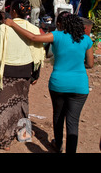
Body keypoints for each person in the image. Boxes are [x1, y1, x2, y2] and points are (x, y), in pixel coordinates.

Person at [5, 12, 94, 153]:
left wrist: (13, 24)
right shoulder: (86, 40)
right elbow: (90, 64)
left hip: (59, 84)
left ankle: (58, 145)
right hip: (80, 85)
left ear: (59, 24)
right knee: (73, 122)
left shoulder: (57, 36)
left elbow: (34, 37)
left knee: (58, 115)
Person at [0, 0, 45, 151]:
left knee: (5, 107)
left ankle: (4, 141)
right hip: (25, 71)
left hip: (8, 71)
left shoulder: (6, 28)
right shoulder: (33, 29)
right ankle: (24, 133)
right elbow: (37, 51)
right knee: (22, 102)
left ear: (13, 11)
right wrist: (36, 74)